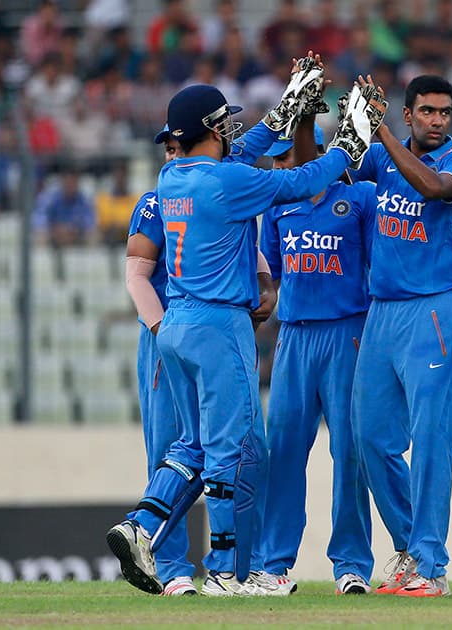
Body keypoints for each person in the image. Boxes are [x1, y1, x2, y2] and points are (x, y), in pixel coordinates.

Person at [107, 77, 378, 597]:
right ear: (210, 129)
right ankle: (228, 573)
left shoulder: (172, 178)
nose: (234, 129)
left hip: (177, 325)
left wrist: (281, 114)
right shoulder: (227, 184)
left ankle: (139, 525)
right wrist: (348, 140)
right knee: (227, 450)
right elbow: (304, 180)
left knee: (192, 445)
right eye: (224, 123)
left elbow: (244, 152)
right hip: (218, 325)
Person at [124, 114, 284, 596]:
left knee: (233, 446)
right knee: (181, 444)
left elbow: (248, 255)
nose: (172, 154)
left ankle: (237, 562)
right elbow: (136, 276)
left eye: (177, 144)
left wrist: (263, 287)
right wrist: (160, 327)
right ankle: (174, 569)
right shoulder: (160, 199)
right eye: (167, 147)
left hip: (202, 330)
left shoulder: (211, 187)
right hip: (178, 334)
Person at [348, 74, 452, 597]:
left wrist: (378, 134)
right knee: (369, 437)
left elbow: (431, 187)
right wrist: (331, 116)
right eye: (426, 111)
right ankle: (410, 547)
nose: (436, 120)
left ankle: (431, 566)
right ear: (409, 114)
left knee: (430, 440)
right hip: (383, 312)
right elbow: (328, 170)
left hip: (437, 309)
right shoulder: (381, 157)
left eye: (444, 112)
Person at [257, 120, 377, 595]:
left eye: (288, 159)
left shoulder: (358, 200)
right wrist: (261, 300)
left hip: (348, 334)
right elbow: (270, 272)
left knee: (349, 451)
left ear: (316, 156)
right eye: (276, 160)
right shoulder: (278, 206)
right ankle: (273, 564)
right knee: (283, 451)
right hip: (295, 338)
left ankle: (351, 565)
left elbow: (378, 264)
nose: (281, 167)